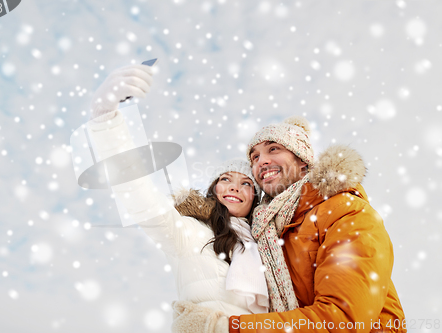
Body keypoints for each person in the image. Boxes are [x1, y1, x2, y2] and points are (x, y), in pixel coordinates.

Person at [172, 117, 406, 332]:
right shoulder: (266, 232)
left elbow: (342, 319)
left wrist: (226, 327)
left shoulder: (345, 210)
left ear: (303, 161)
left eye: (274, 149)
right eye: (254, 157)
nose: (262, 161)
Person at [86, 64, 273, 331]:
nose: (234, 188)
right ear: (214, 191)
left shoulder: (269, 245)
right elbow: (137, 191)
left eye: (246, 184)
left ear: (255, 198)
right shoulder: (188, 232)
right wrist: (105, 120)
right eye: (225, 180)